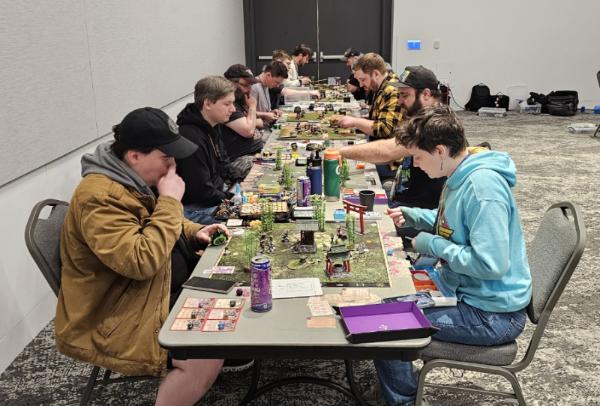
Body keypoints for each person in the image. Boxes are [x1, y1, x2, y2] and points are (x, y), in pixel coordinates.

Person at [56, 107, 229, 405]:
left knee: (232, 287)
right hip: (119, 310)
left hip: (148, 290)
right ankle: (200, 366)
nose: (173, 166)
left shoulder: (127, 177)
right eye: (166, 157)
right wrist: (170, 201)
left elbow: (154, 223)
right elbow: (140, 261)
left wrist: (195, 231)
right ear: (135, 155)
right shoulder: (99, 198)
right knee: (207, 339)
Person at [374, 105, 532, 405]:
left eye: (418, 157)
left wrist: (432, 244)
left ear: (440, 151)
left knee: (387, 324)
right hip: (469, 293)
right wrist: (414, 215)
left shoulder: (482, 188)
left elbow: (491, 265)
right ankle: (403, 388)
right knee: (388, 297)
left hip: (491, 315)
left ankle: (405, 401)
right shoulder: (460, 172)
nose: (415, 165)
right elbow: (453, 223)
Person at [339, 66, 446, 246]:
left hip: (421, 214)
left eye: (405, 95)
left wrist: (341, 152)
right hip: (407, 200)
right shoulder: (423, 117)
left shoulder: (433, 124)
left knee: (354, 227)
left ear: (426, 94)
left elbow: (388, 151)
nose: (400, 101)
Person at [176, 76, 240, 224]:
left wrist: (237, 180)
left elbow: (223, 160)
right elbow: (202, 193)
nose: (233, 109)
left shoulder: (212, 124)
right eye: (227, 104)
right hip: (194, 207)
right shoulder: (190, 139)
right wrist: (231, 198)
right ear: (208, 104)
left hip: (214, 194)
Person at [337, 53, 403, 182]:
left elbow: (385, 129)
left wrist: (355, 122)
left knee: (345, 170)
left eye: (363, 79)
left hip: (390, 161)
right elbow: (378, 118)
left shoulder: (392, 89)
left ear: (376, 74)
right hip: (381, 151)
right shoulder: (383, 85)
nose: (361, 85)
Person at [222, 64, 265, 173]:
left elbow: (256, 122)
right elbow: (249, 131)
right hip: (238, 158)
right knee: (271, 166)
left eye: (250, 85)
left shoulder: (239, 101)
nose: (249, 89)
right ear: (231, 83)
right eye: (245, 85)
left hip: (253, 151)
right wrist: (252, 106)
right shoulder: (228, 106)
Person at [250, 60, 289, 125]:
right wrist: (266, 114)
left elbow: (264, 110)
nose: (277, 86)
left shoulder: (266, 85)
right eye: (276, 82)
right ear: (268, 75)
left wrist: (272, 112)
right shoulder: (254, 87)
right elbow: (247, 113)